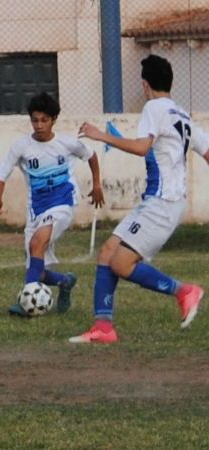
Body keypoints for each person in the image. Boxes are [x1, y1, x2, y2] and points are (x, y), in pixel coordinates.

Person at [72, 54, 209, 344]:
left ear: (145, 84)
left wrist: (101, 136)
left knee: (121, 263)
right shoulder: (181, 114)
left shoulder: (154, 108)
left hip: (162, 203)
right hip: (160, 202)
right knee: (108, 252)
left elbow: (142, 147)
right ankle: (103, 327)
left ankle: (184, 291)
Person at [0, 92, 104, 317]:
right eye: (35, 120)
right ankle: (64, 281)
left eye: (44, 120)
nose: (39, 125)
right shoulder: (21, 147)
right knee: (38, 270)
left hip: (63, 203)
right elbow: (1, 175)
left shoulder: (66, 143)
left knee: (37, 242)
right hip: (36, 210)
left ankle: (25, 303)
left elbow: (90, 155)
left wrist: (97, 184)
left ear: (53, 120)